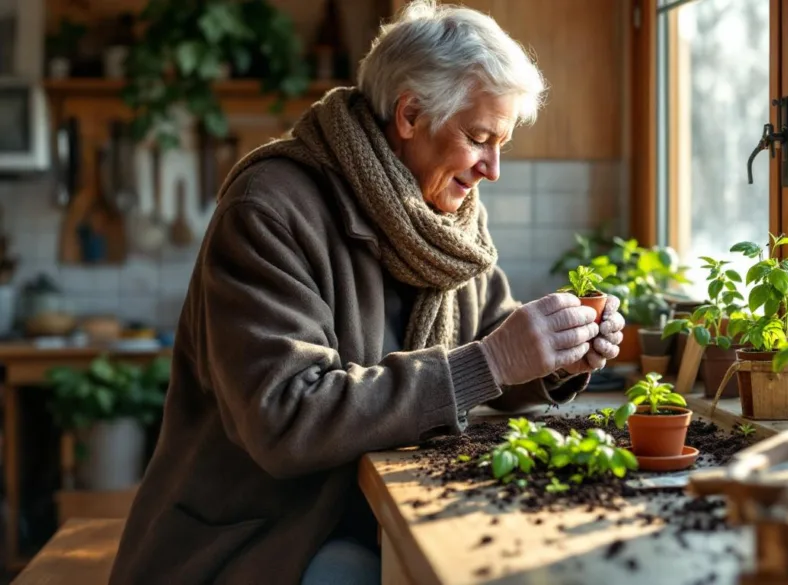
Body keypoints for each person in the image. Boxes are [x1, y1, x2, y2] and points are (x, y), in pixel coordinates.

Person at [108, 1, 625, 584]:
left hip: (358, 515)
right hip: (258, 540)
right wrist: (492, 362)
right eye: (480, 138)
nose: (493, 169)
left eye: (500, 142)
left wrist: (556, 355)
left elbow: (490, 339)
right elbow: (287, 419)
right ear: (409, 115)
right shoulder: (269, 209)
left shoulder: (445, 226)